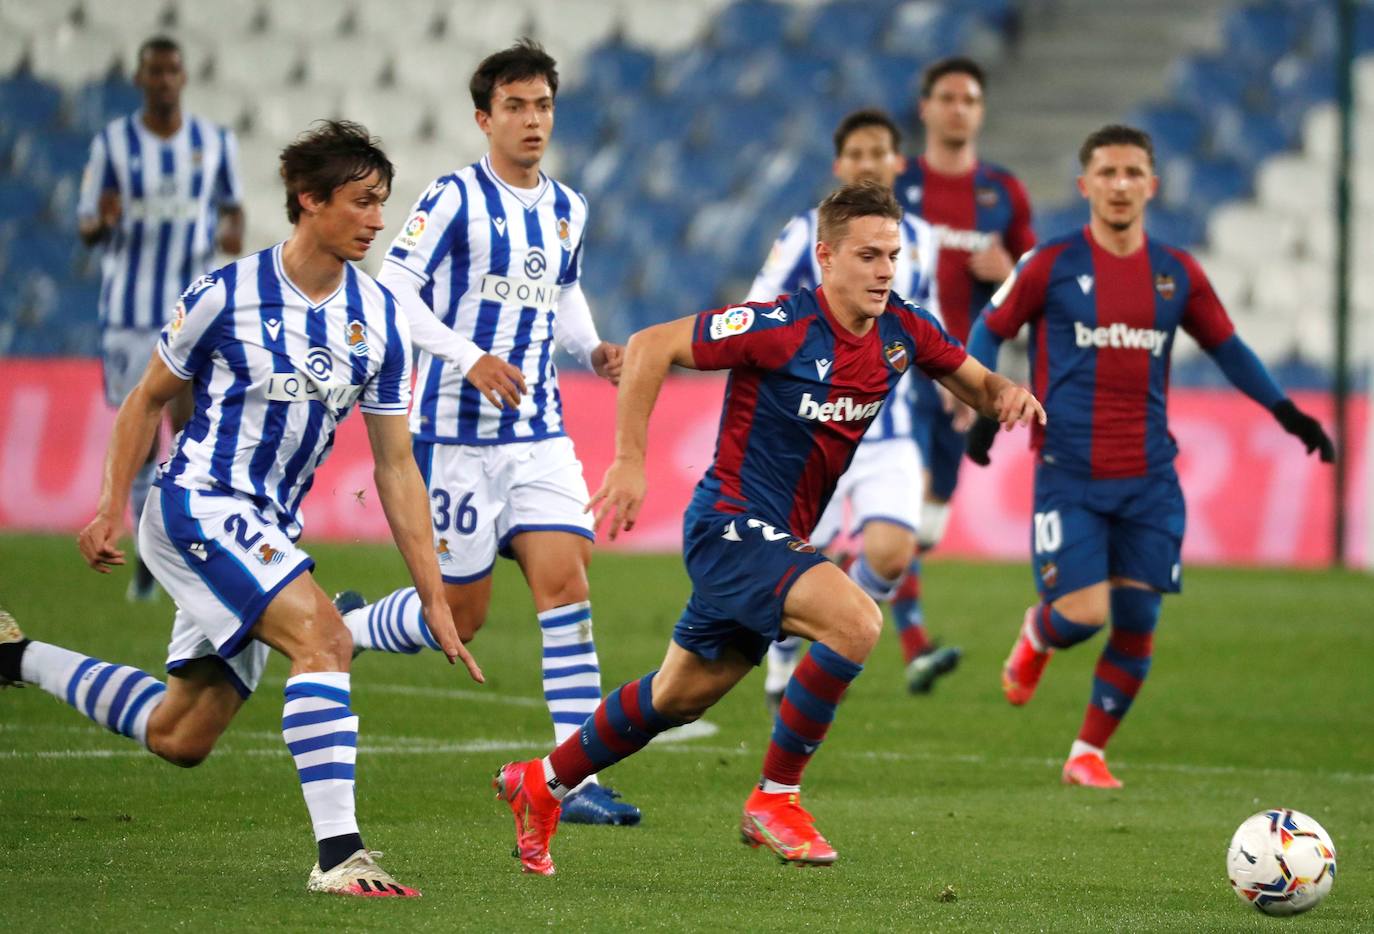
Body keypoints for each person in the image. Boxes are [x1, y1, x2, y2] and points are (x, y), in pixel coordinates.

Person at [491, 180, 1045, 875]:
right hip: (729, 523)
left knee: (678, 696)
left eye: (892, 256)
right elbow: (651, 343)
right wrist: (630, 461)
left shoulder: (904, 329)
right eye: (867, 255)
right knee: (856, 622)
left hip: (776, 540)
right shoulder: (778, 325)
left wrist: (1009, 396)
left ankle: (542, 782)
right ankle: (775, 798)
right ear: (826, 257)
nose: (883, 270)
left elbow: (978, 383)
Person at [1, 121, 480, 897]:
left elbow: (396, 467)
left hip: (268, 530)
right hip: (198, 505)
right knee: (324, 639)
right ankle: (341, 857)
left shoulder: (383, 321)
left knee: (181, 734)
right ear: (309, 200)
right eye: (361, 203)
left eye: (382, 204)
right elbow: (145, 400)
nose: (377, 220)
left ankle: (13, 657)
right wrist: (107, 506)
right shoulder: (226, 294)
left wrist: (434, 595)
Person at [965, 124, 1334, 789]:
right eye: (1106, 172)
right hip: (1069, 475)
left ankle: (1087, 753)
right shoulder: (1050, 265)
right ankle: (1040, 633)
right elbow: (986, 330)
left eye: (1133, 172)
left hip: (1150, 481)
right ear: (1085, 186)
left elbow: (1229, 348)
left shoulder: (1176, 274)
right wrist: (990, 399)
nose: (1120, 184)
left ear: (1152, 185)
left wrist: (1286, 412)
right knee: (1083, 615)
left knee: (1138, 620)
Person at [330, 39, 638, 827]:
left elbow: (563, 294)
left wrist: (592, 347)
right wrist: (467, 358)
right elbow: (394, 290)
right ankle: (341, 626)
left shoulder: (569, 207)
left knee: (566, 586)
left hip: (538, 434)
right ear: (484, 117)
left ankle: (572, 780)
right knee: (459, 618)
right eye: (515, 106)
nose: (532, 120)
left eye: (542, 105)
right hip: (453, 438)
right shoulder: (452, 198)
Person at [746, 108, 959, 702]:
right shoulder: (803, 234)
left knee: (892, 551)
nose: (869, 164)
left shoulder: (921, 240)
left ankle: (831, 624)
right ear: (841, 165)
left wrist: (957, 388)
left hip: (886, 427)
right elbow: (757, 307)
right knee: (794, 553)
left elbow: (929, 323)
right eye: (857, 155)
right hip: (810, 426)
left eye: (879, 154)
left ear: (897, 163)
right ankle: (787, 650)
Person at [78, 35, 245, 602]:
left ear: (183, 77)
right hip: (129, 312)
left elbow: (233, 205)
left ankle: (179, 544)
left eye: (172, 71)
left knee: (192, 427)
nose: (164, 80)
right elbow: (85, 225)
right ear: (140, 78)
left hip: (190, 310)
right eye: (154, 71)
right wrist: (101, 222)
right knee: (145, 437)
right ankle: (151, 553)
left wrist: (233, 233)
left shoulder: (214, 142)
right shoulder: (112, 145)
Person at [892, 56, 1036, 659]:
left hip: (969, 371)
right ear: (925, 108)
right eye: (947, 98)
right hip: (897, 365)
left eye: (970, 100)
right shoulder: (899, 187)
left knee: (928, 522)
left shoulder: (1002, 193)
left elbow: (1040, 280)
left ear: (980, 112)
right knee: (899, 502)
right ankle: (908, 639)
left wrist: (1011, 271)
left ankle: (850, 575)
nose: (958, 109)